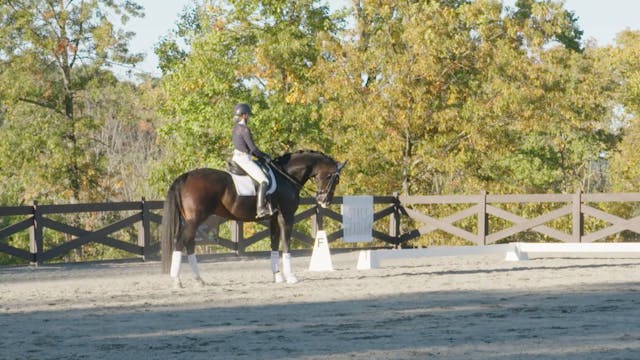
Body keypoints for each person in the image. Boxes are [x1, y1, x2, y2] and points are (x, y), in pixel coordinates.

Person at [231, 103, 272, 217]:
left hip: (236, 157)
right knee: (264, 181)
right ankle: (261, 209)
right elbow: (253, 149)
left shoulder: (235, 128)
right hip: (244, 159)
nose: (248, 117)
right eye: (248, 115)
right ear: (244, 115)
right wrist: (264, 156)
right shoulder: (244, 129)